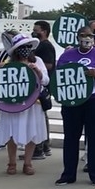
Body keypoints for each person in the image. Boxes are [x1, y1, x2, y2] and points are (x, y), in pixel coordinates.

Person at [54, 26, 95, 186]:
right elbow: (58, 76)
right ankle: (68, 174)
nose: (87, 38)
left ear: (94, 37)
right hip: (72, 102)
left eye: (90, 35)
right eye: (83, 35)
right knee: (71, 137)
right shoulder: (67, 55)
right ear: (77, 37)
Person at [0, 34, 49, 176]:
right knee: (11, 132)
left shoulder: (38, 61)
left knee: (31, 131)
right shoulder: (7, 63)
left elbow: (46, 80)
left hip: (32, 103)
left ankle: (28, 163)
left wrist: (37, 70)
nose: (25, 49)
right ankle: (11, 162)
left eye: (28, 46)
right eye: (22, 47)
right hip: (12, 103)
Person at [31, 20, 56, 160]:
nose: (34, 32)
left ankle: (38, 148)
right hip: (42, 85)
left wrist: (36, 66)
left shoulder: (45, 46)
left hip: (42, 86)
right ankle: (44, 146)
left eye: (37, 30)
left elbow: (49, 65)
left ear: (44, 31)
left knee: (39, 116)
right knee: (42, 116)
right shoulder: (43, 45)